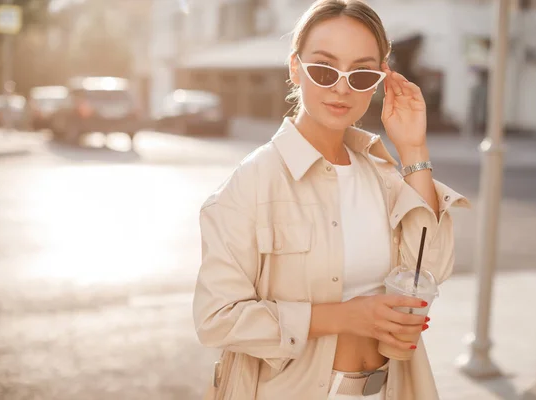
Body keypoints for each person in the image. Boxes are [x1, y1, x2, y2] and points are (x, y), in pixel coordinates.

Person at [193, 1, 469, 399]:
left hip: (389, 389)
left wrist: (413, 149)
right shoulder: (251, 184)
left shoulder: (383, 175)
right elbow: (216, 320)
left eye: (360, 74)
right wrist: (344, 318)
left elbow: (432, 269)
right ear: (295, 68)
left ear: (378, 80)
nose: (342, 87)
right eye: (324, 69)